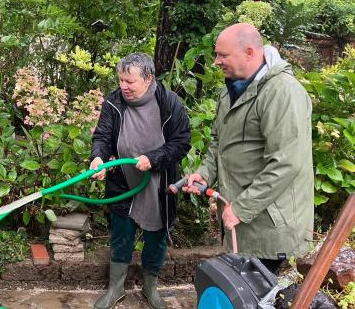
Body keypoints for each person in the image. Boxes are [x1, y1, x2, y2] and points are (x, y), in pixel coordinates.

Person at [184, 23, 314, 274]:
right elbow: (218, 143)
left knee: (263, 294)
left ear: (249, 52)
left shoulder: (282, 92)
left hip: (270, 224)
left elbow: (286, 162)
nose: (216, 62)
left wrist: (242, 208)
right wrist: (204, 173)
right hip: (241, 220)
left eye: (223, 55)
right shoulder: (230, 89)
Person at [90, 52, 191, 309]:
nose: (123, 86)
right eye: (120, 80)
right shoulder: (114, 101)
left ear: (148, 79)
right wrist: (98, 158)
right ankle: (116, 289)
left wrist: (154, 158)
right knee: (121, 233)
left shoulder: (170, 103)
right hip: (123, 181)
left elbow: (181, 143)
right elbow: (102, 136)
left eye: (129, 81)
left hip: (158, 184)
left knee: (156, 235)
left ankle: (150, 287)